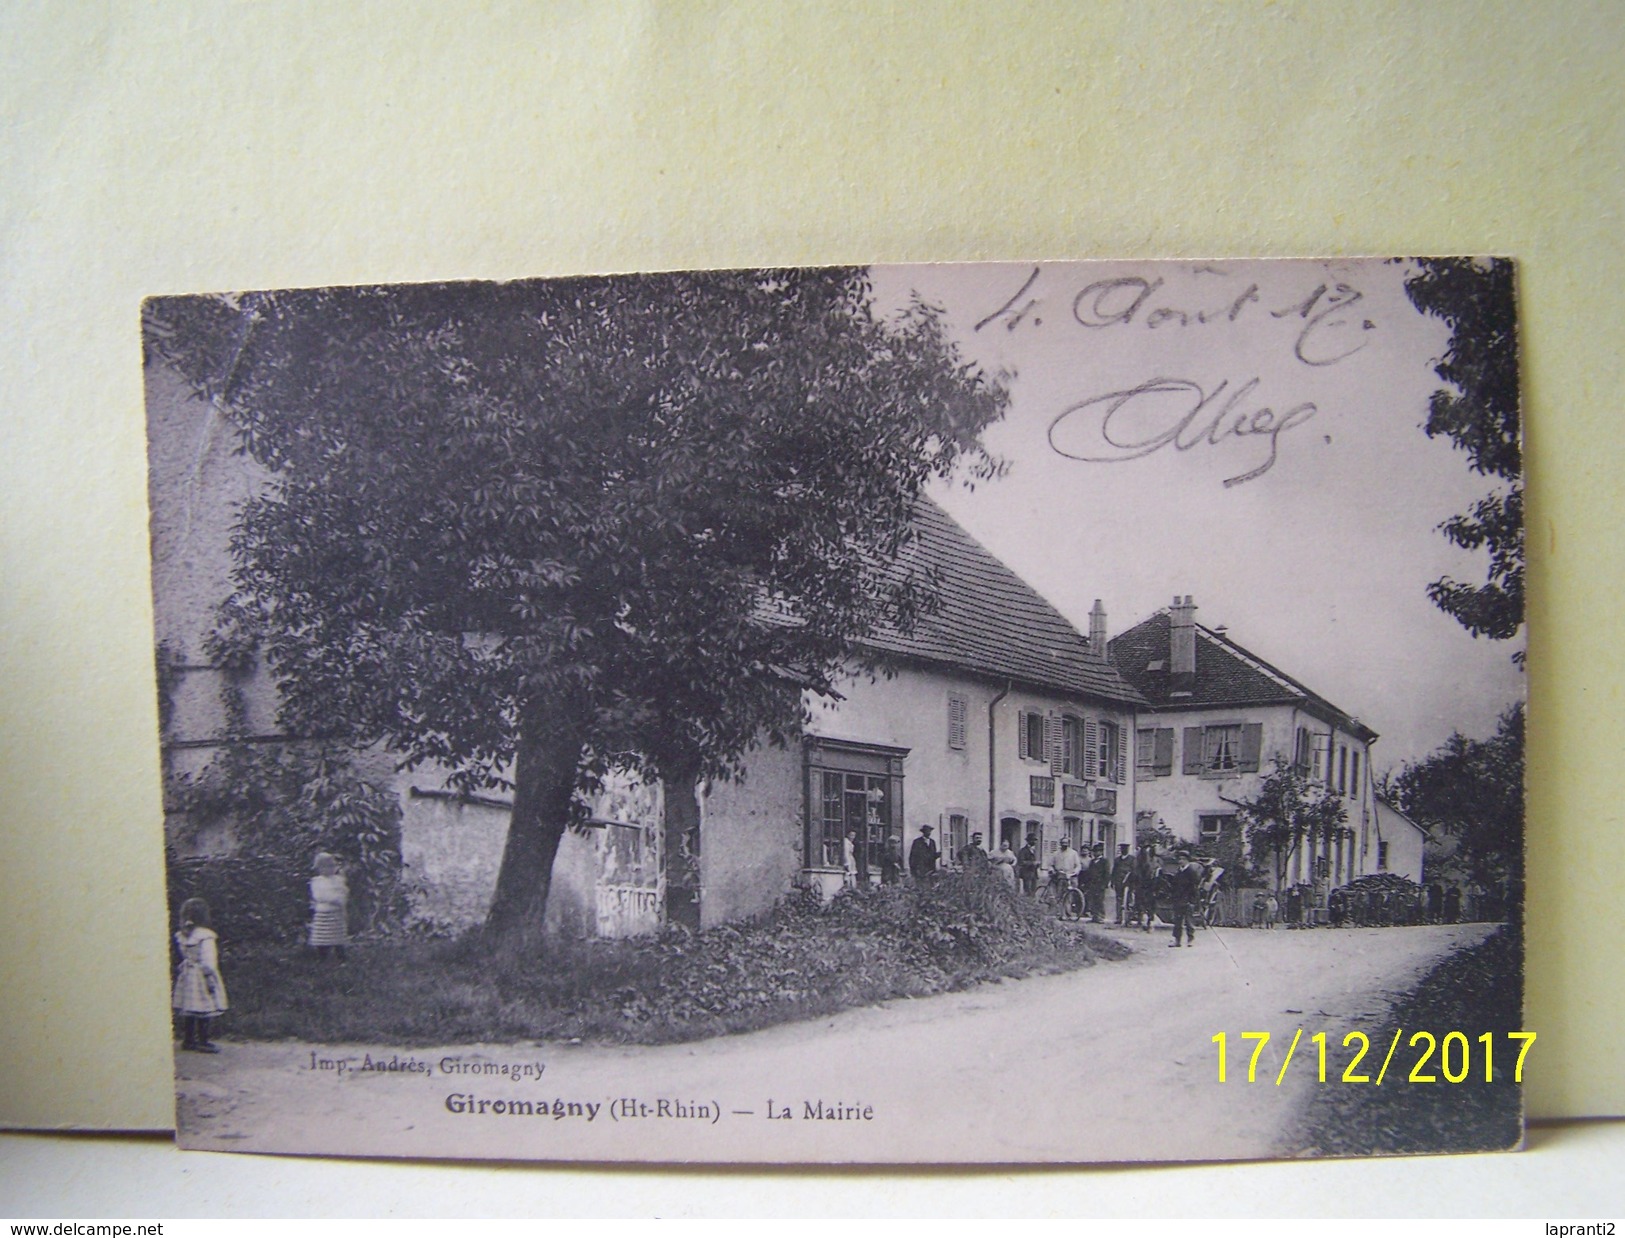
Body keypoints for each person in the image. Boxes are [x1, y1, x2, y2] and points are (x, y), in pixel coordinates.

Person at [172, 896, 227, 1053]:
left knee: (190, 1006)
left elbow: (184, 955)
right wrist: (209, 976)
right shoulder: (205, 935)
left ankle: (189, 1039)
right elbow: (208, 959)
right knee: (205, 1006)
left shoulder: (183, 935)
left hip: (188, 973)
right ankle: (203, 1040)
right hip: (201, 975)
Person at [309, 852, 350, 960]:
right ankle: (322, 957)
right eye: (327, 866)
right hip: (323, 913)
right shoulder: (317, 881)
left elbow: (343, 893)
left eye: (333, 866)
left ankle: (341, 957)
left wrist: (340, 899)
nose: (331, 869)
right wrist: (334, 898)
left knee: (338, 936)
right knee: (322, 936)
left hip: (336, 912)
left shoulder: (338, 880)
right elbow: (319, 896)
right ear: (320, 868)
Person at [1159, 848, 1202, 947]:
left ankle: (1190, 939)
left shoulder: (1191, 872)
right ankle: (1177, 940)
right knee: (1177, 921)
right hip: (1178, 900)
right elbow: (1174, 886)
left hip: (1187, 900)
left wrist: (1192, 900)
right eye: (1179, 859)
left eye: (1182, 859)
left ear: (1187, 860)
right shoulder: (1178, 872)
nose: (1180, 861)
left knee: (1189, 921)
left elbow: (1194, 887)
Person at [1084, 843, 1111, 922]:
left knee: (1100, 900)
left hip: (1100, 884)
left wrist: (1105, 884)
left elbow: (1107, 874)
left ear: (1101, 852)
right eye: (1094, 852)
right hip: (1092, 884)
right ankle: (1094, 916)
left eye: (1097, 852)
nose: (1095, 853)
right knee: (1092, 900)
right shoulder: (1092, 862)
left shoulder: (1104, 861)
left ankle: (1101, 916)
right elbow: (1089, 873)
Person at [1111, 844, 1134, 924]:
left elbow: (1134, 870)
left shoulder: (1132, 859)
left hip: (1129, 882)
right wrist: (1112, 881)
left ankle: (1129, 919)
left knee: (1129, 900)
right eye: (1122, 848)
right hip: (1119, 882)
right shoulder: (1117, 860)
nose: (1124, 850)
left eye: (1125, 848)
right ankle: (1119, 918)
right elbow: (1114, 871)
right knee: (1119, 899)